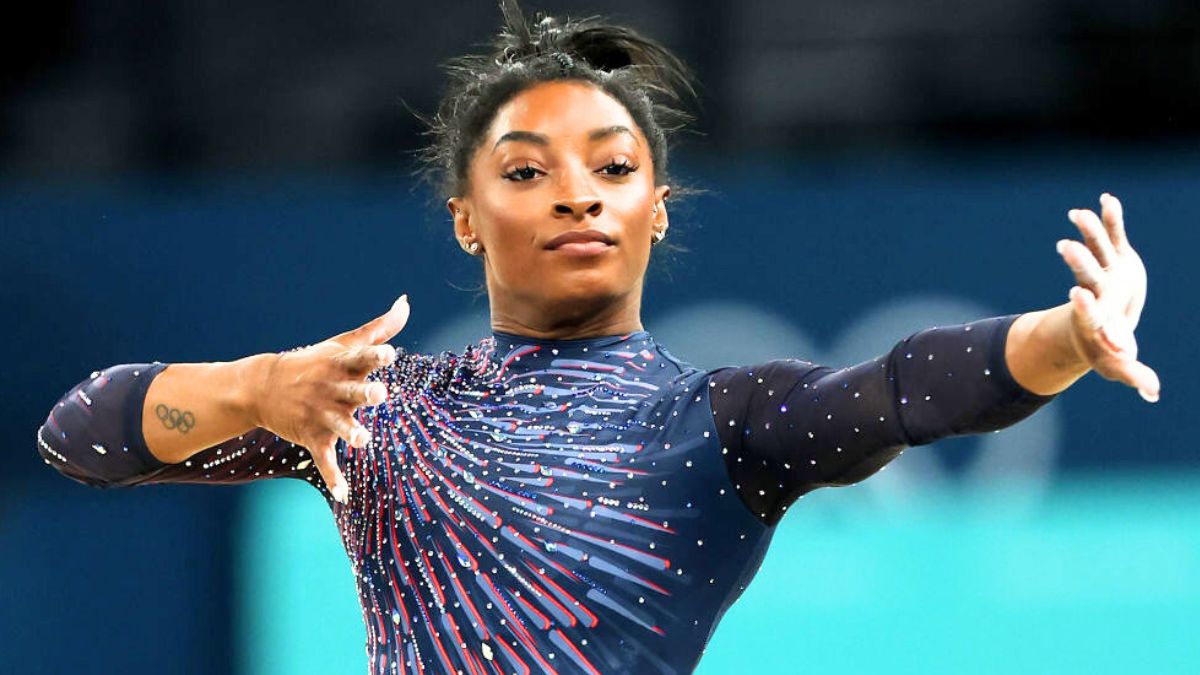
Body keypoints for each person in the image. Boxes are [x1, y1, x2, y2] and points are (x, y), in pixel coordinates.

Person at [36, 1, 1160, 673]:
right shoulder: (370, 404)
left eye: (615, 169)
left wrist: (1066, 333)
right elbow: (79, 436)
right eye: (528, 171)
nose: (579, 196)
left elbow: (905, 390)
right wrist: (256, 389)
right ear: (464, 218)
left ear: (658, 207)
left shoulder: (721, 423)